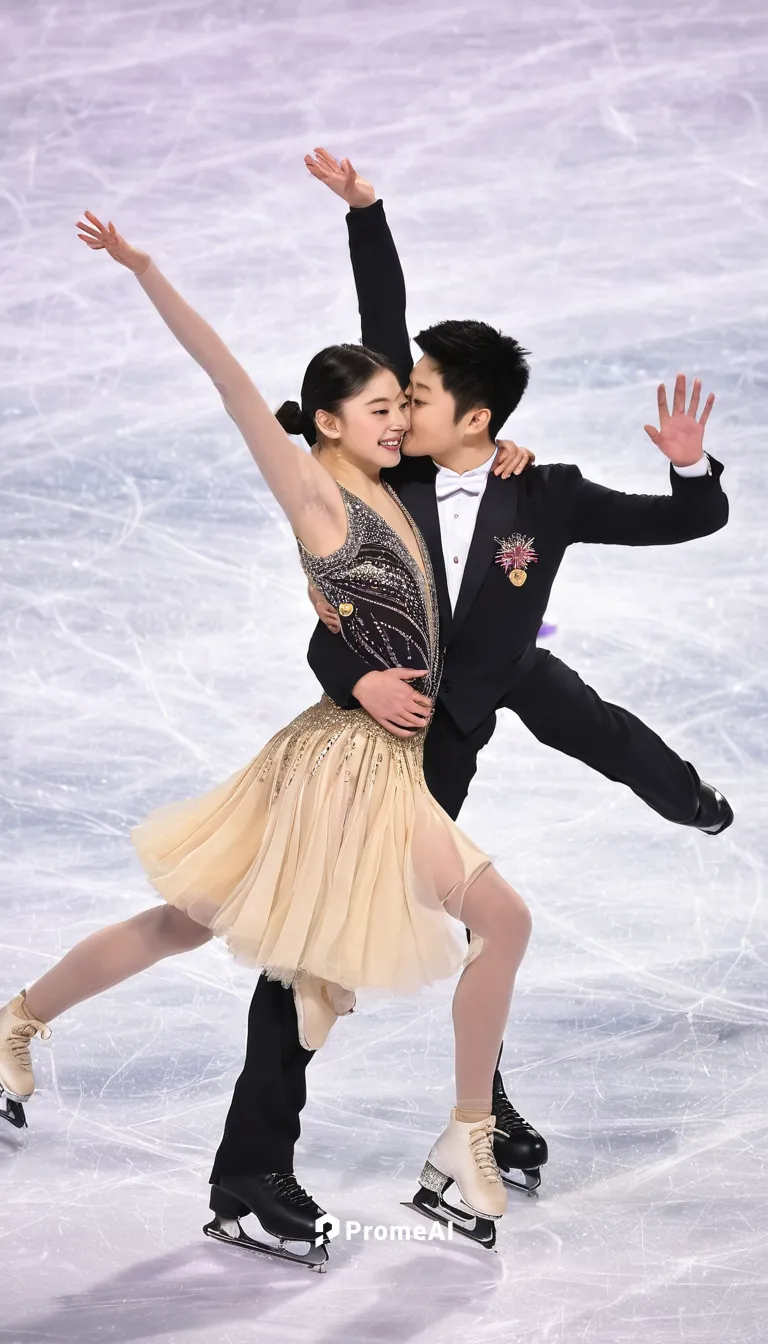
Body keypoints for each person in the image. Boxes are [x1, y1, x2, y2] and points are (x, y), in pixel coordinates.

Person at [206, 149, 732, 1251]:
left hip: (461, 729)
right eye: (396, 395)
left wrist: (692, 470)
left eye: (422, 393)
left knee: (549, 778)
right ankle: (253, 1171)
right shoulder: (384, 479)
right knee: (316, 956)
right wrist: (367, 212)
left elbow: (683, 524)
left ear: (474, 414)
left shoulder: (544, 492)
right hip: (368, 747)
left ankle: (478, 1109)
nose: (400, 401)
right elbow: (328, 628)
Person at [0, 210, 534, 1263]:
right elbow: (232, 381)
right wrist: (150, 267)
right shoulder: (315, 492)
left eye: (404, 406)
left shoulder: (399, 483)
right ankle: (26, 1027)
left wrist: (494, 444)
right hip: (337, 769)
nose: (399, 419)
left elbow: (426, 389)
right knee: (207, 926)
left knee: (209, 923)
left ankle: (461, 1137)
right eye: (381, 408)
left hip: (386, 769)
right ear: (330, 422)